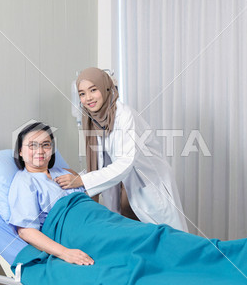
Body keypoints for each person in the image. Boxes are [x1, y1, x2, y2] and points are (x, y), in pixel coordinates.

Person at [54, 67, 189, 232]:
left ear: (106, 88)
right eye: (82, 94)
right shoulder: (92, 119)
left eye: (93, 90)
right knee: (136, 238)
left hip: (147, 181)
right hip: (123, 184)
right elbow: (103, 161)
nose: (88, 98)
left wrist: (83, 181)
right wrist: (80, 178)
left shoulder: (124, 116)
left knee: (167, 238)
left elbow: (125, 162)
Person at [8, 122, 94, 265]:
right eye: (32, 145)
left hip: (96, 220)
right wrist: (65, 253)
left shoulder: (66, 173)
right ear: (20, 152)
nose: (40, 150)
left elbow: (89, 203)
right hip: (73, 233)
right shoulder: (25, 182)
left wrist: (79, 180)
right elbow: (25, 231)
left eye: (46, 144)